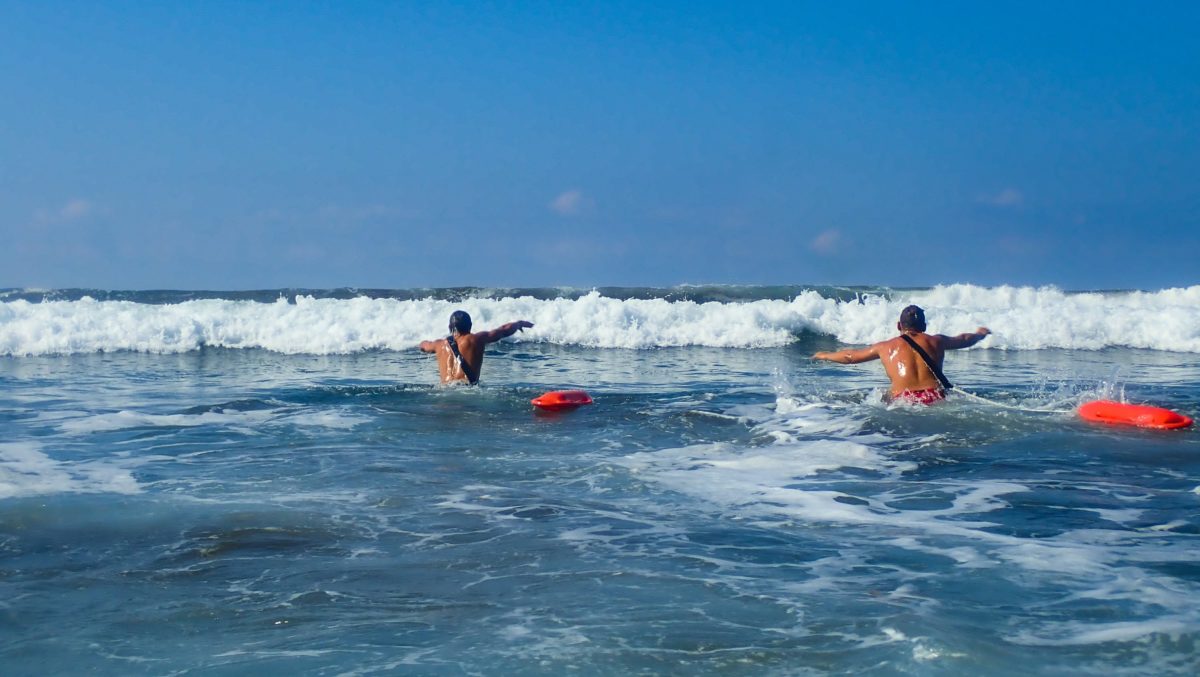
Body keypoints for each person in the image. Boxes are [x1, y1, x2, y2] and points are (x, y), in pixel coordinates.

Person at [812, 305, 990, 404]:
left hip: (904, 400)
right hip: (936, 397)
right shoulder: (937, 341)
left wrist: (824, 355)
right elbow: (964, 339)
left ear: (899, 326)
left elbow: (851, 357)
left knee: (883, 395)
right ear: (925, 326)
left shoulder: (885, 347)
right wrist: (980, 334)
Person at [419, 310, 534, 384]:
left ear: (450, 326)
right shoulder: (476, 339)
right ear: (470, 325)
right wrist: (519, 324)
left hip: (444, 391)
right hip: (466, 390)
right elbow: (503, 330)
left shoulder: (438, 344)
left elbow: (424, 346)